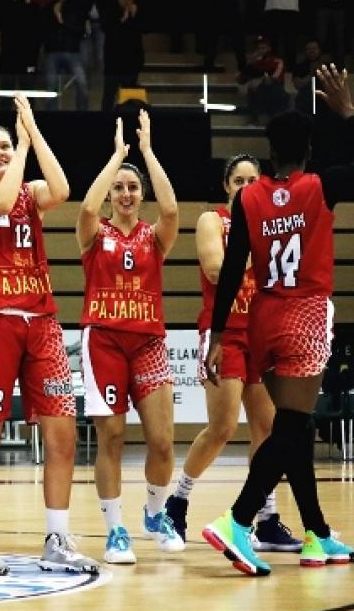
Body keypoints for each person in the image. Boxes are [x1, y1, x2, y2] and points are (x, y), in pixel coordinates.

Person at [201, 67, 354, 575]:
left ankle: (317, 534)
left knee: (296, 429)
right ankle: (238, 520)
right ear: (308, 151)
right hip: (305, 311)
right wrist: (348, 113)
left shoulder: (248, 197)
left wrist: (219, 334)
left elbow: (230, 272)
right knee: (290, 428)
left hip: (261, 316)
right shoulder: (321, 185)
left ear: (269, 153)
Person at [0, 96, 97, 576]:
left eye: (3, 145)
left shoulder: (30, 191)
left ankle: (57, 539)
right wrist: (17, 147)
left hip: (42, 325)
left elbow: (61, 188)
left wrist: (32, 132)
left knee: (62, 437)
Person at [164, 154, 302, 553]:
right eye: (238, 180)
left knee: (268, 429)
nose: (245, 186)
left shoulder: (271, 226)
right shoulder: (213, 220)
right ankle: (178, 501)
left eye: (252, 180)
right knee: (222, 427)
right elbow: (214, 269)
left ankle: (267, 519)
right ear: (227, 186)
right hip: (225, 332)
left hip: (263, 332)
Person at [76, 112, 183, 565]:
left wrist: (147, 153)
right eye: (118, 188)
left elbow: (173, 210)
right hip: (103, 342)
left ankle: (155, 515)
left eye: (132, 187)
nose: (124, 194)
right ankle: (115, 530)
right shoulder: (93, 231)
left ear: (141, 195)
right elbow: (85, 207)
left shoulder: (154, 236)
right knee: (113, 437)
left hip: (148, 343)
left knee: (161, 442)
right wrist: (117, 157)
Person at [41, 0, 89, 111]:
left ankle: (83, 116)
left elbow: (79, 28)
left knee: (82, 84)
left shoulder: (75, 6)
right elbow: (43, 30)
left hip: (72, 51)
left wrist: (60, 17)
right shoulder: (46, 8)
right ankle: (52, 117)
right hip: (52, 52)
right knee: (51, 87)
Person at [0, 0, 39, 105]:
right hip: (8, 56)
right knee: (6, 92)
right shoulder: (3, 5)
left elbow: (33, 28)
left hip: (27, 57)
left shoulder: (31, 6)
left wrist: (26, 5)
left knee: (28, 93)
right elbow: (7, 22)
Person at [102, 0, 144, 113]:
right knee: (109, 97)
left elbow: (141, 32)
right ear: (118, 0)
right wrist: (123, 18)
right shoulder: (110, 14)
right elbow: (110, 32)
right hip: (113, 64)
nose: (126, 1)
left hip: (130, 64)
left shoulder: (136, 15)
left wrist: (134, 16)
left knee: (130, 98)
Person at [238, 35, 288, 123]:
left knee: (276, 91)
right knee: (252, 87)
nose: (260, 50)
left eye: (263, 47)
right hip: (258, 94)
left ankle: (276, 121)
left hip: (273, 93)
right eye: (258, 48)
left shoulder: (278, 61)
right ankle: (254, 120)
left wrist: (259, 81)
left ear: (269, 48)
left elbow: (271, 80)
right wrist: (250, 63)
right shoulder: (254, 63)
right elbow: (240, 80)